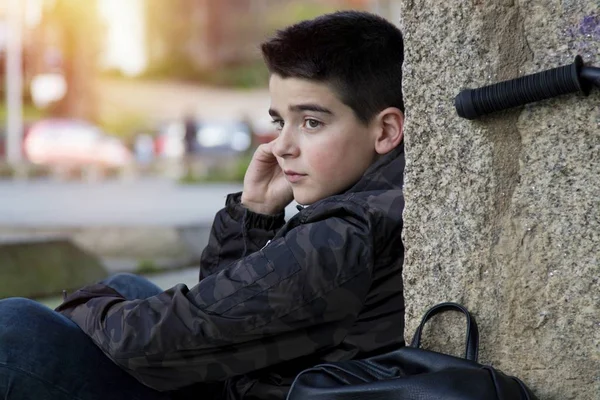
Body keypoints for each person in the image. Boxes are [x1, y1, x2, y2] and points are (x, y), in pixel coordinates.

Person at [0, 10, 406, 400]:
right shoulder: (384, 199)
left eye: (311, 122)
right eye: (280, 121)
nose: (281, 146)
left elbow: (159, 342)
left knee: (15, 331)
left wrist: (85, 305)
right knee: (128, 288)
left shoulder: (346, 232)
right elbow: (226, 309)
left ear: (385, 130)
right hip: (265, 379)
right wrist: (255, 212)